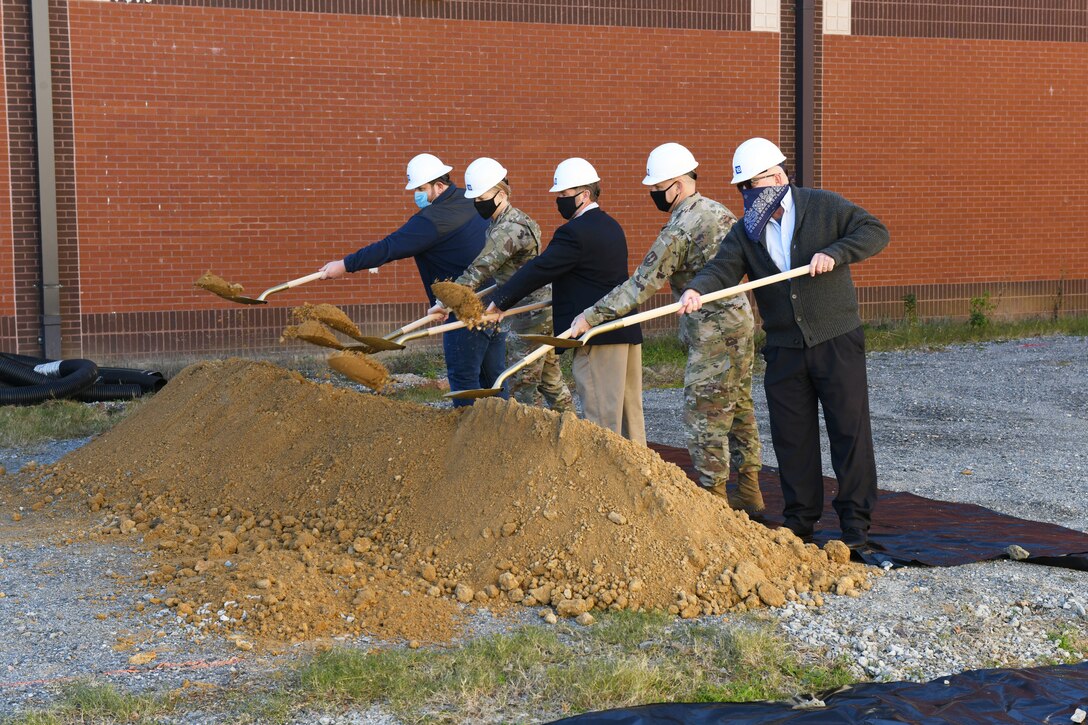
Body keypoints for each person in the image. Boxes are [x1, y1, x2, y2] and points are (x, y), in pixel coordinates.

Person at [678, 137, 889, 548]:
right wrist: (697, 289)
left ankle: (855, 526)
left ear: (777, 178)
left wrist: (836, 252)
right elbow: (722, 267)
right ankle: (800, 521)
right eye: (741, 188)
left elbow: (875, 231)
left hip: (835, 340)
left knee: (849, 431)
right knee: (793, 438)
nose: (746, 194)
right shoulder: (747, 231)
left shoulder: (823, 206)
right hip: (784, 348)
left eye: (751, 185)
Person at [569, 143, 763, 513]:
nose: (654, 195)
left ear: (677, 185)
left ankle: (714, 499)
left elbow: (640, 285)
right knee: (739, 405)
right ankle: (750, 491)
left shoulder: (681, 229)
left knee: (704, 412)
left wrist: (591, 316)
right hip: (740, 321)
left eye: (658, 188)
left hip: (712, 332)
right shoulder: (718, 211)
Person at [318, 153, 505, 407]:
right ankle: (505, 426)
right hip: (494, 301)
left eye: (420, 189)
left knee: (464, 378)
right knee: (494, 377)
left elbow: (388, 248)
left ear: (439, 186)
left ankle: (470, 428)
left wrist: (344, 265)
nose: (417, 195)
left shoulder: (431, 221)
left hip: (464, 309)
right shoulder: (470, 200)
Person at [484, 158, 645, 444]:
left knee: (602, 420)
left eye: (564, 194)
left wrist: (501, 301)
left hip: (597, 337)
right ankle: (640, 470)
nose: (559, 200)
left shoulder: (573, 233)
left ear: (584, 194)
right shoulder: (611, 225)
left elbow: (539, 269)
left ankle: (603, 471)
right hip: (625, 330)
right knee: (629, 416)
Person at [427, 157, 574, 413]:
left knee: (522, 382)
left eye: (482, 198)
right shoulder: (505, 221)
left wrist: (445, 302)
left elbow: (480, 268)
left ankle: (531, 430)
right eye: (475, 199)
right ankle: (572, 425)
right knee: (549, 379)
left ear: (501, 193)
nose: (478, 204)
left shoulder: (510, 229)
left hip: (529, 314)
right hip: (531, 308)